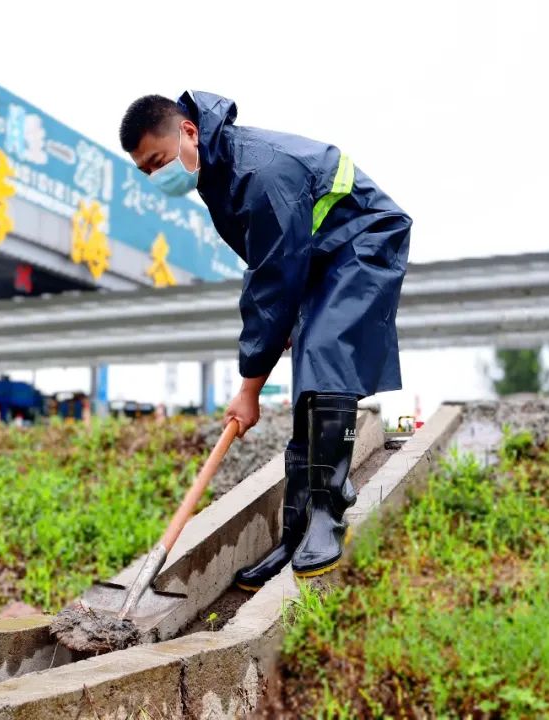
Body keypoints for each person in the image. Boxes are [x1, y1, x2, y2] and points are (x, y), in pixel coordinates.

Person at [119, 91, 411, 584]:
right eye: (146, 170)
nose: (157, 176)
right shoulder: (218, 177)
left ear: (188, 132)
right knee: (308, 382)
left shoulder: (258, 171)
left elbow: (269, 284)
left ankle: (328, 511)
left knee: (325, 353)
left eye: (159, 161)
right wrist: (280, 328)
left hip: (364, 237)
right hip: (320, 256)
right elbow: (270, 270)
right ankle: (296, 532)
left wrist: (249, 389)